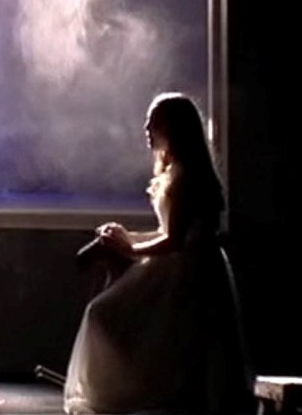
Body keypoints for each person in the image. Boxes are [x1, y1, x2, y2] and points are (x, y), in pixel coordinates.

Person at [63, 92, 253, 415]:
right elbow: (168, 232)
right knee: (116, 319)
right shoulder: (177, 171)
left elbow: (174, 241)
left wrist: (129, 248)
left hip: (189, 272)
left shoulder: (187, 177)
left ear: (173, 128)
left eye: (154, 123)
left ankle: (123, 391)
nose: (147, 129)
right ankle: (133, 387)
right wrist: (127, 237)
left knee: (103, 313)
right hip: (178, 263)